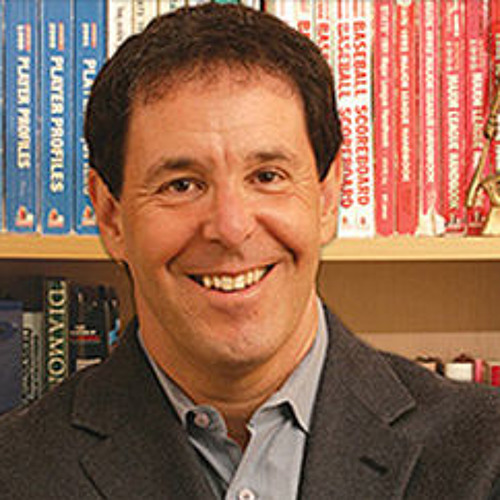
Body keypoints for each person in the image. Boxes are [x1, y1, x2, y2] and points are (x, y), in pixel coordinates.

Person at [1, 4, 500, 499]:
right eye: (181, 184)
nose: (231, 228)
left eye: (267, 176)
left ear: (328, 199)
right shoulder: (15, 470)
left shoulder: (487, 453)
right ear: (111, 217)